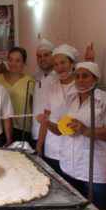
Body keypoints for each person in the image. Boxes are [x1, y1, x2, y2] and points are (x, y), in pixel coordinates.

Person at [37, 62, 106, 210]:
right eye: (77, 76)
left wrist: (85, 131)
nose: (80, 80)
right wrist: (47, 122)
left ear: (96, 79)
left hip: (96, 169)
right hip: (70, 166)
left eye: (85, 76)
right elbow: (60, 131)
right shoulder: (71, 99)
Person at [35, 44, 78, 174]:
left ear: (73, 63)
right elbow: (46, 117)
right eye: (56, 64)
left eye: (63, 63)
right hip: (51, 147)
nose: (60, 68)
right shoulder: (53, 86)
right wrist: (39, 143)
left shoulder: (79, 87)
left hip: (73, 147)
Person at [0, 47, 34, 142]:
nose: (13, 64)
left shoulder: (30, 81)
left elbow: (35, 105)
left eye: (17, 61)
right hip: (1, 128)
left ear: (24, 63)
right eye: (10, 60)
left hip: (22, 129)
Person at [30, 39, 57, 149]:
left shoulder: (59, 78)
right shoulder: (35, 77)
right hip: (35, 132)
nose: (42, 59)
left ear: (53, 56)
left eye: (46, 55)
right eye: (39, 56)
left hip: (53, 135)